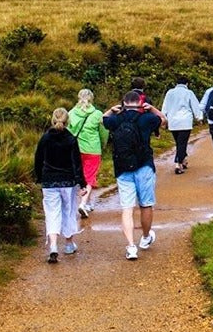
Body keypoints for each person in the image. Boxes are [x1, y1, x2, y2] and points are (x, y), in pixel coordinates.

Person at [103, 91, 165, 261]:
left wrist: (111, 110)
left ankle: (131, 247)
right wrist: (152, 108)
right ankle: (145, 237)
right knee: (146, 205)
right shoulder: (147, 118)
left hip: (122, 167)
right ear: (140, 102)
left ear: (123, 102)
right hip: (144, 165)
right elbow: (164, 120)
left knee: (127, 208)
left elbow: (103, 119)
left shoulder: (116, 119)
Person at [34, 108, 87, 264]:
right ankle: (69, 244)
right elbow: (77, 163)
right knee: (68, 211)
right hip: (68, 182)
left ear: (52, 120)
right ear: (67, 121)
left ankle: (53, 246)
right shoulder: (71, 139)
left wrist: (39, 177)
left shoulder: (45, 138)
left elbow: (38, 160)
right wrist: (82, 182)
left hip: (49, 181)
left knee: (52, 212)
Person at [68, 88, 108, 218]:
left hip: (75, 149)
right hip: (92, 149)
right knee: (89, 177)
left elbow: (67, 132)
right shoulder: (97, 114)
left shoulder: (71, 113)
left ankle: (87, 202)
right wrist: (103, 144)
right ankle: (83, 203)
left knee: (79, 175)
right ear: (92, 98)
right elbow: (104, 132)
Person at [162, 76, 202, 174]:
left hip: (173, 122)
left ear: (176, 83)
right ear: (187, 84)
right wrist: (199, 118)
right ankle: (178, 163)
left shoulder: (169, 93)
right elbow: (195, 106)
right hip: (185, 122)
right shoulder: (189, 93)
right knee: (182, 143)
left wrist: (163, 118)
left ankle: (183, 160)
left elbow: (165, 107)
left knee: (179, 143)